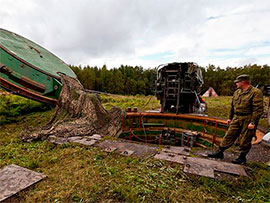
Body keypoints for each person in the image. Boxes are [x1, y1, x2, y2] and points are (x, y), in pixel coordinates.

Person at [208, 74, 264, 164]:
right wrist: (230, 118)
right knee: (229, 135)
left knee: (245, 139)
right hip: (236, 117)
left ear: (243, 82)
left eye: (237, 82)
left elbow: (258, 109)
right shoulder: (237, 92)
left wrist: (253, 122)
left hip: (248, 118)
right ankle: (220, 152)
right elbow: (232, 106)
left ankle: (242, 157)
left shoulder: (255, 92)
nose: (236, 84)